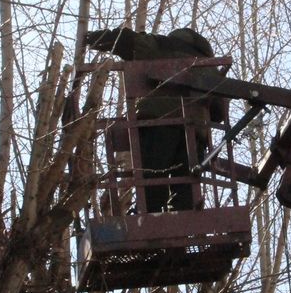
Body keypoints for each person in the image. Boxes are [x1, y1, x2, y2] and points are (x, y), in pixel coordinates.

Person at [84, 26, 226, 212]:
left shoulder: (162, 45)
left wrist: (93, 38)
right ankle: (183, 217)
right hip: (194, 133)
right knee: (186, 184)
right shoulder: (210, 66)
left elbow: (127, 40)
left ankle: (150, 212)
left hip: (157, 124)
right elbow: (219, 112)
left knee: (152, 177)